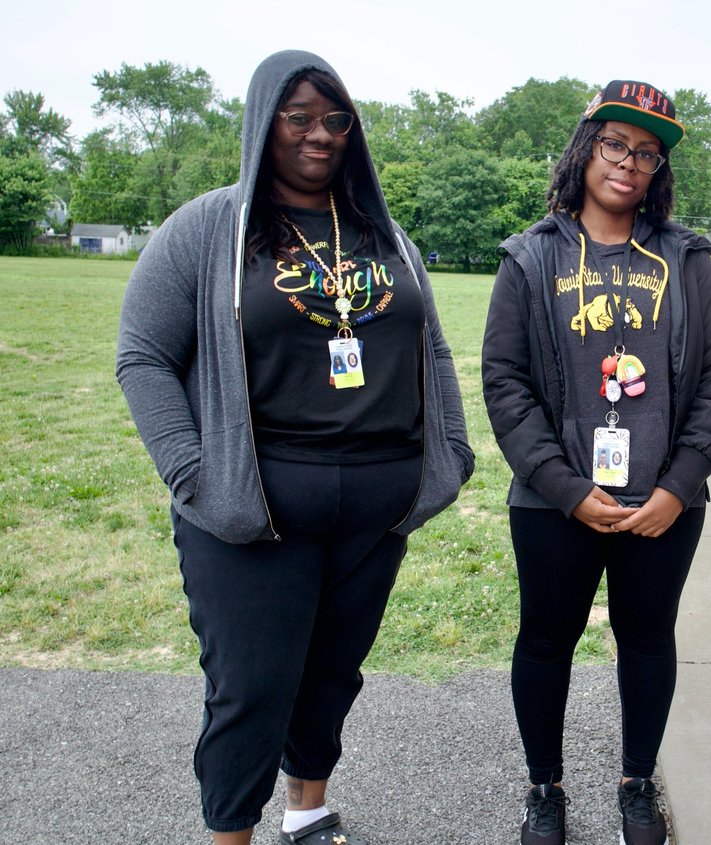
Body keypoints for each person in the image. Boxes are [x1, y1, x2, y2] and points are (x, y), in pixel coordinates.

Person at [116, 50, 473, 845]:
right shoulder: (210, 228)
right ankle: (230, 835)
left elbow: (433, 348)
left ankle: (306, 808)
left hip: (375, 508)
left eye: (335, 119)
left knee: (331, 673)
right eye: (299, 117)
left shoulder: (382, 231)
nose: (320, 134)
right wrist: (191, 472)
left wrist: (448, 454)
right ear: (262, 122)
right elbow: (141, 354)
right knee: (250, 688)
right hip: (252, 510)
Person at [482, 80, 711, 845]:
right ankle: (544, 788)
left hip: (661, 502)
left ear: (660, 171)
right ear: (586, 148)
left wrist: (681, 483)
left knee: (648, 637)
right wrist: (563, 487)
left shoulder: (686, 259)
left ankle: (637, 781)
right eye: (616, 144)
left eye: (648, 153)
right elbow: (505, 381)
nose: (630, 163)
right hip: (556, 500)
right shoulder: (530, 257)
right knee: (545, 639)